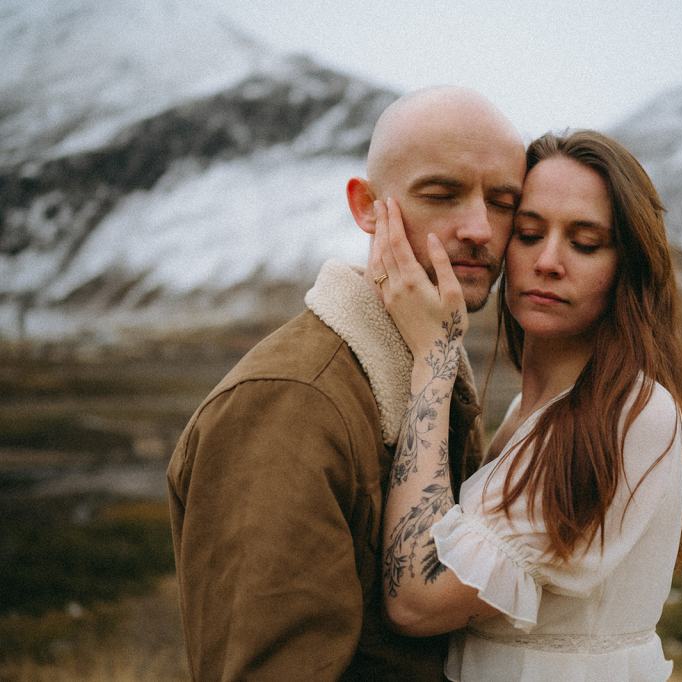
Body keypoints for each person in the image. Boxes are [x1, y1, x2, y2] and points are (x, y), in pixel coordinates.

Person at [165, 86, 526, 680]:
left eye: (503, 201)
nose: (480, 229)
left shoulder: (429, 372)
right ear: (365, 207)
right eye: (442, 194)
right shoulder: (289, 404)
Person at [373, 129, 682, 681]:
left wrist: (435, 355)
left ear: (628, 266)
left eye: (586, 242)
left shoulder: (631, 413)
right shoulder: (526, 413)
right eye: (528, 234)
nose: (548, 261)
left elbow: (417, 600)